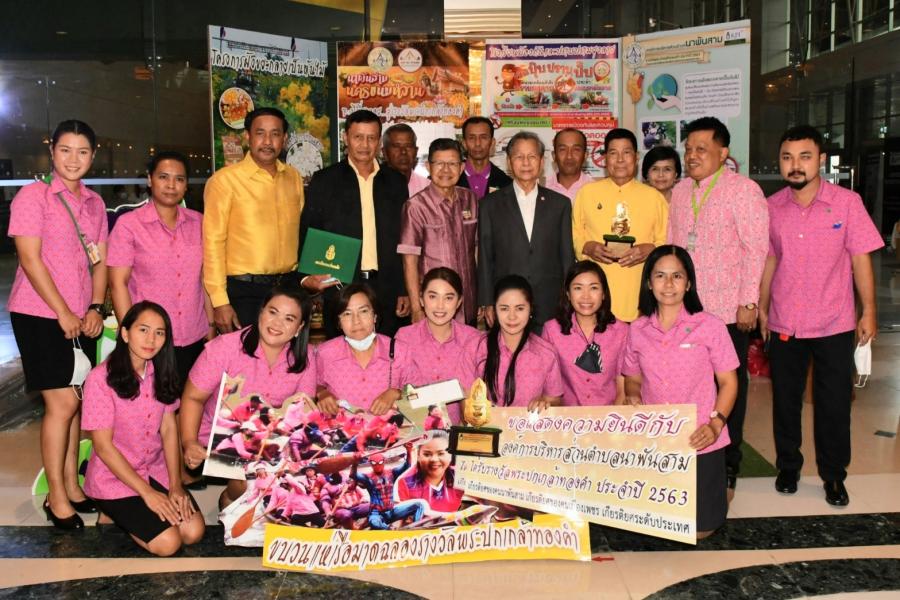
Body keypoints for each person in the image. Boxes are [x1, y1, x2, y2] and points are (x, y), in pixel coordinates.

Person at [760, 125, 883, 506]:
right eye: (787, 157)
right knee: (785, 402)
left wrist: (869, 311)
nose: (795, 165)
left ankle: (833, 476)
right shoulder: (771, 207)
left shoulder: (847, 203)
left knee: (834, 405)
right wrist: (761, 306)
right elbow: (770, 260)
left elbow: (860, 259)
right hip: (785, 321)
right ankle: (788, 467)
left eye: (804, 156)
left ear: (821, 160)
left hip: (835, 322)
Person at [8, 119, 108, 528]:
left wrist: (96, 307)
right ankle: (57, 497)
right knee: (62, 403)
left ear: (93, 156)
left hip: (82, 316)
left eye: (82, 152)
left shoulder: (95, 204)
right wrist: (63, 311)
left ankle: (72, 484)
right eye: (65, 150)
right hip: (38, 313)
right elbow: (30, 260)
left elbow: (100, 261)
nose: (73, 159)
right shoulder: (33, 197)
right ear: (52, 152)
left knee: (77, 401)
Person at [667, 117, 768, 494]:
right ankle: (687, 454)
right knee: (686, 385)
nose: (692, 156)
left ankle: (729, 461)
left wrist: (748, 301)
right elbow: (673, 247)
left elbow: (756, 248)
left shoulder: (744, 190)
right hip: (686, 311)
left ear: (723, 153)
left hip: (727, 312)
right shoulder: (680, 191)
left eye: (701, 149)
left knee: (728, 385)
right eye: (688, 149)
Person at [622, 245, 738, 538]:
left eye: (677, 276)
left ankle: (719, 490)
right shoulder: (637, 329)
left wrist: (715, 424)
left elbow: (729, 382)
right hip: (656, 438)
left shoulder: (710, 326)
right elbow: (632, 378)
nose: (668, 284)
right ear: (649, 283)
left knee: (701, 531)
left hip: (700, 436)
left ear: (688, 283)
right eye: (660, 275)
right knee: (655, 524)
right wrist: (633, 394)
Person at [82, 302, 204, 555]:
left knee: (192, 533)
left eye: (159, 333)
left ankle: (135, 513)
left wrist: (175, 485)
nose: (151, 340)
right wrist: (148, 494)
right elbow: (103, 447)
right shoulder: (99, 379)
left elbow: (169, 430)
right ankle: (112, 510)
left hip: (154, 470)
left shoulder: (161, 371)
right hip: (114, 477)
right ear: (125, 333)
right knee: (169, 544)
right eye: (143, 330)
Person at [180, 286, 316, 508]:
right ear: (261, 312)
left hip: (271, 444)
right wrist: (189, 442)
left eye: (289, 318)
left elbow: (302, 415)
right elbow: (193, 398)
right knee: (252, 482)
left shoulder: (306, 356)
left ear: (299, 328)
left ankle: (240, 505)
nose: (277, 323)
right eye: (272, 312)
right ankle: (230, 499)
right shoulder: (225, 347)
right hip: (219, 442)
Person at [108, 151, 214, 387]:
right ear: (149, 179)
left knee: (192, 402)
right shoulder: (129, 225)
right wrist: (130, 335)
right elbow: (118, 284)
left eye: (179, 179)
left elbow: (204, 278)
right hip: (150, 341)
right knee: (154, 404)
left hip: (194, 334)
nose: (171, 185)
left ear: (186, 184)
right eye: (163, 177)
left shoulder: (199, 222)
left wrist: (210, 325)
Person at [301, 109, 409, 337]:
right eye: (358, 137)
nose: (364, 145)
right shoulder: (325, 181)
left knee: (387, 349)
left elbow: (404, 239)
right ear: (345, 138)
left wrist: (404, 289)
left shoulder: (396, 182)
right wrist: (309, 278)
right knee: (341, 351)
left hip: (387, 288)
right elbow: (309, 232)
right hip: (341, 286)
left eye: (371, 138)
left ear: (379, 142)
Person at [203, 107, 305, 333]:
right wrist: (220, 302)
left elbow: (301, 232)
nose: (267, 141)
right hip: (244, 293)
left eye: (275, 134)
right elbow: (212, 243)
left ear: (284, 139)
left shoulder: (293, 178)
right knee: (246, 355)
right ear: (247, 136)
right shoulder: (224, 181)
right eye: (260, 133)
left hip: (288, 289)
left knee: (287, 354)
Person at [478, 131, 575, 327]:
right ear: (509, 162)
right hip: (507, 302)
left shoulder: (560, 204)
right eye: (519, 157)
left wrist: (568, 298)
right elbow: (485, 257)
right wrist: (487, 301)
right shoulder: (490, 204)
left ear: (542, 162)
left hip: (549, 301)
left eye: (532, 156)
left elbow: (566, 257)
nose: (526, 162)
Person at [573, 128, 668, 323]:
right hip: (594, 300)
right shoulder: (586, 193)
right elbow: (574, 234)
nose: (620, 159)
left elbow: (667, 240)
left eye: (626, 152)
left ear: (637, 157)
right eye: (613, 153)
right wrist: (587, 247)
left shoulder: (654, 198)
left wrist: (651, 249)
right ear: (605, 158)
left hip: (640, 296)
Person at [398, 139, 479, 324]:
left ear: (462, 168)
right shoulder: (416, 206)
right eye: (439, 163)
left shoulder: (470, 200)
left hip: (467, 301)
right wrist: (416, 308)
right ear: (428, 166)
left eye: (452, 164)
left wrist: (481, 299)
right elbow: (409, 261)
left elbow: (477, 251)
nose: (446, 170)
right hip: (434, 306)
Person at [394, 268, 483, 424]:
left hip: (460, 431)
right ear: (421, 299)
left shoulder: (473, 339)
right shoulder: (404, 337)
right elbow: (395, 389)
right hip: (414, 430)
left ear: (459, 302)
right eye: (432, 297)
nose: (440, 306)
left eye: (448, 298)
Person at [315, 284, 415, 416]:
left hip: (392, 428)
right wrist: (322, 393)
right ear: (339, 322)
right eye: (347, 313)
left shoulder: (400, 351)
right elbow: (315, 384)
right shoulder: (325, 353)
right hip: (340, 428)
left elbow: (417, 392)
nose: (356, 321)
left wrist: (396, 393)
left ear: (375, 316)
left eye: (363, 311)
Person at [542, 261, 628, 406]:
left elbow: (622, 390)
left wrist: (612, 419)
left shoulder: (621, 331)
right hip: (567, 416)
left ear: (603, 293)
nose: (586, 296)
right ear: (568, 293)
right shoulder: (552, 330)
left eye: (593, 288)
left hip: (608, 415)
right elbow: (548, 388)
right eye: (578, 288)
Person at [474, 275, 564, 409]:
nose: (512, 316)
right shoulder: (477, 348)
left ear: (530, 309)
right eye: (504, 308)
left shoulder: (546, 353)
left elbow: (555, 400)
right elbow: (466, 399)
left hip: (529, 423)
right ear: (494, 310)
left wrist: (545, 403)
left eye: (520, 308)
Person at [350, 443, 424, 530]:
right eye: (374, 463)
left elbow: (407, 465)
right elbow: (353, 475)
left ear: (384, 461)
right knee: (373, 522)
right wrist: (355, 463)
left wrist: (408, 451)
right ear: (370, 464)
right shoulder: (367, 478)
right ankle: (389, 529)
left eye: (380, 462)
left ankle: (416, 528)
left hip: (392, 511)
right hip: (377, 514)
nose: (377, 465)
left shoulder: (392, 473)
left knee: (419, 505)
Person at [397, 430, 463, 513]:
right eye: (427, 454)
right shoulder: (406, 483)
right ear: (418, 455)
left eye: (441, 453)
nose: (434, 459)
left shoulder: (461, 477)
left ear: (451, 455)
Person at [456, 116, 512, 199]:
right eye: (472, 138)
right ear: (464, 143)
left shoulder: (506, 183)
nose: (477, 143)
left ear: (492, 143)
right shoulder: (451, 178)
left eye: (483, 137)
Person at [546, 128, 594, 202]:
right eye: (563, 149)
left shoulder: (595, 189)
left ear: (585, 155)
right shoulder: (543, 187)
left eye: (576, 150)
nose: (569, 156)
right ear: (554, 155)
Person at [382, 123, 430, 197]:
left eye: (408, 146)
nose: (403, 152)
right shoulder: (372, 187)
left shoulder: (429, 189)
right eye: (396, 146)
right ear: (384, 152)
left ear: (416, 151)